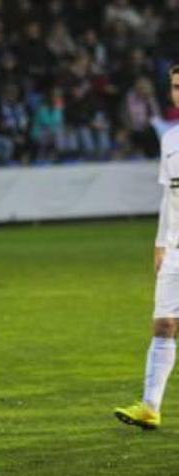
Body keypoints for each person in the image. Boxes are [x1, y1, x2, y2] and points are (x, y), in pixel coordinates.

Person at [114, 65, 179, 430]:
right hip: (175, 249)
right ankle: (151, 406)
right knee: (164, 324)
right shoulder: (170, 139)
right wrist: (160, 243)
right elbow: (168, 197)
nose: (178, 93)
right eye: (175, 87)